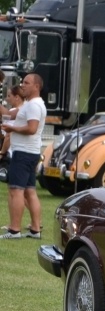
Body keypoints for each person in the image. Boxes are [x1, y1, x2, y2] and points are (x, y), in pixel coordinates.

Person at [1, 74, 45, 240]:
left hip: (24, 152)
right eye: (22, 82)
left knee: (15, 191)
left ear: (36, 86)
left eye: (26, 83)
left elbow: (32, 128)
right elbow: (9, 114)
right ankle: (35, 229)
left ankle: (14, 230)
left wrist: (13, 130)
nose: (23, 85)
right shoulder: (33, 104)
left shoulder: (33, 106)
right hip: (31, 152)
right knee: (30, 191)